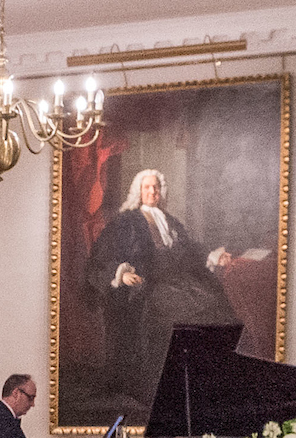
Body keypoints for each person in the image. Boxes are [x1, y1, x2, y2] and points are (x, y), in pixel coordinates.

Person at [84, 168, 238, 399]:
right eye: (147, 187)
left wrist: (213, 256)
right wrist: (121, 274)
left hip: (178, 281)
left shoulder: (170, 221)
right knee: (182, 316)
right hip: (149, 284)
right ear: (138, 191)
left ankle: (204, 379)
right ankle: (167, 385)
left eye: (155, 187)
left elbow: (190, 249)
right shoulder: (126, 221)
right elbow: (103, 256)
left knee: (215, 307)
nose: (152, 191)